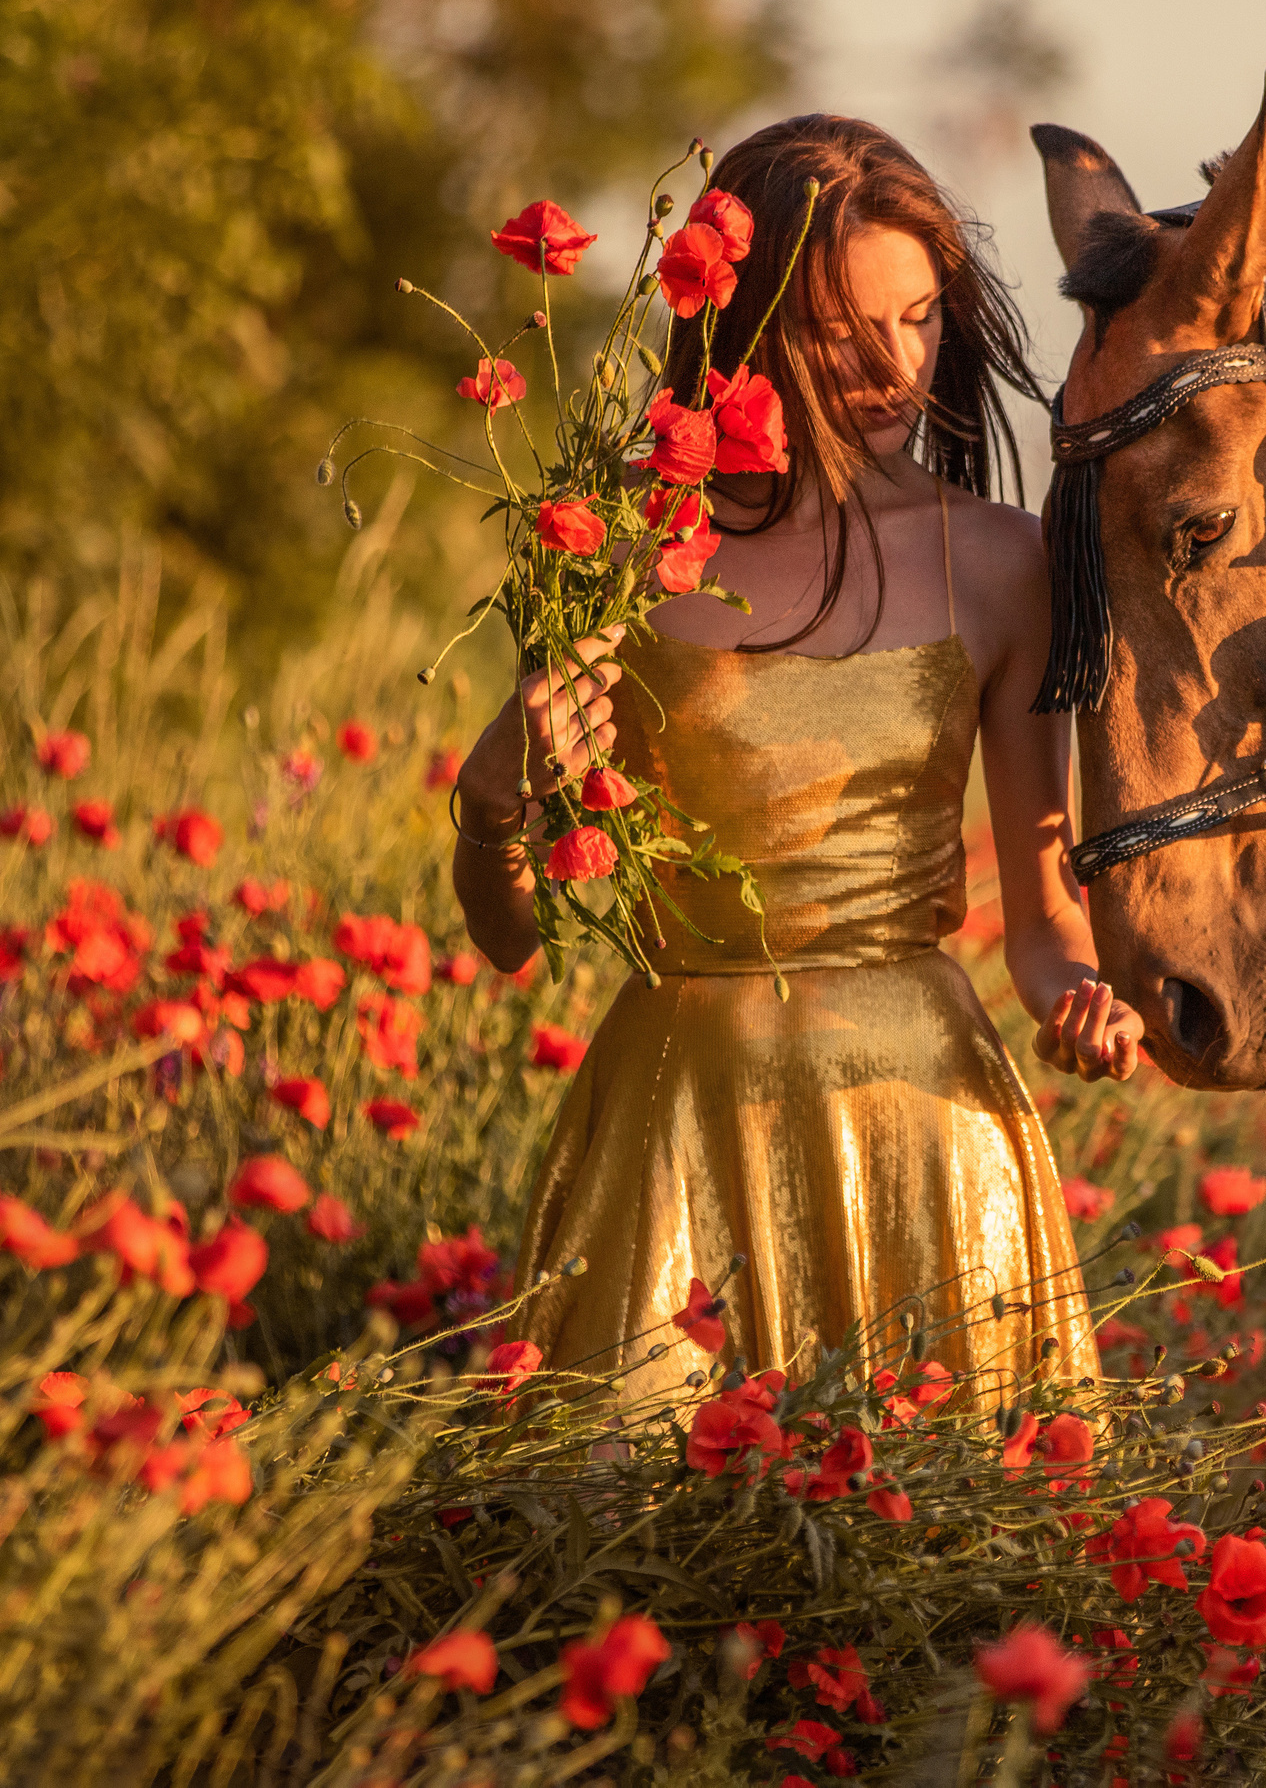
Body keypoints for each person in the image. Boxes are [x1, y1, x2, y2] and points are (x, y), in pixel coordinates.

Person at [447, 114, 1137, 1407]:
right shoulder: (615, 547)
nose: (895, 368)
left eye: (919, 319)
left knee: (935, 1506)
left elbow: (1047, 927)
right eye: (837, 332)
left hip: (921, 1113)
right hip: (672, 1119)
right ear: (743, 324)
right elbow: (507, 935)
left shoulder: (1001, 560)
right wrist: (488, 806)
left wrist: (1082, 1003)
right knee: (630, 1511)